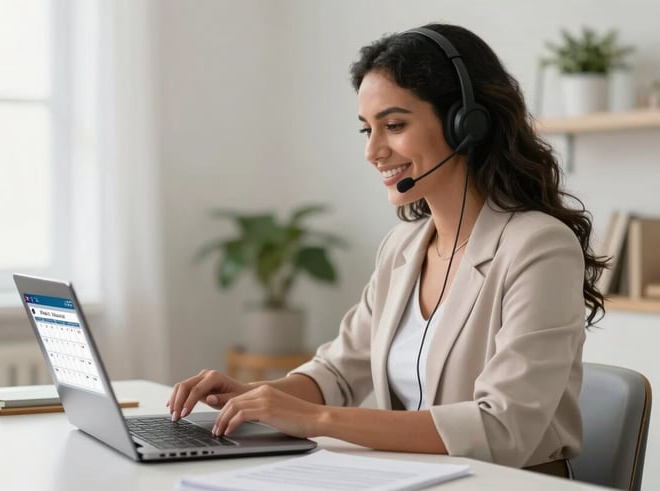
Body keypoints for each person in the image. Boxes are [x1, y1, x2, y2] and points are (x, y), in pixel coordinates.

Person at [168, 23, 606, 476]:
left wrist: (316, 421)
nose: (373, 151)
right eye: (367, 130)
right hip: (416, 477)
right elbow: (337, 374)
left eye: (394, 125)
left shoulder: (538, 246)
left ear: (466, 125)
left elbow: (503, 428)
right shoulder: (403, 248)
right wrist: (255, 397)